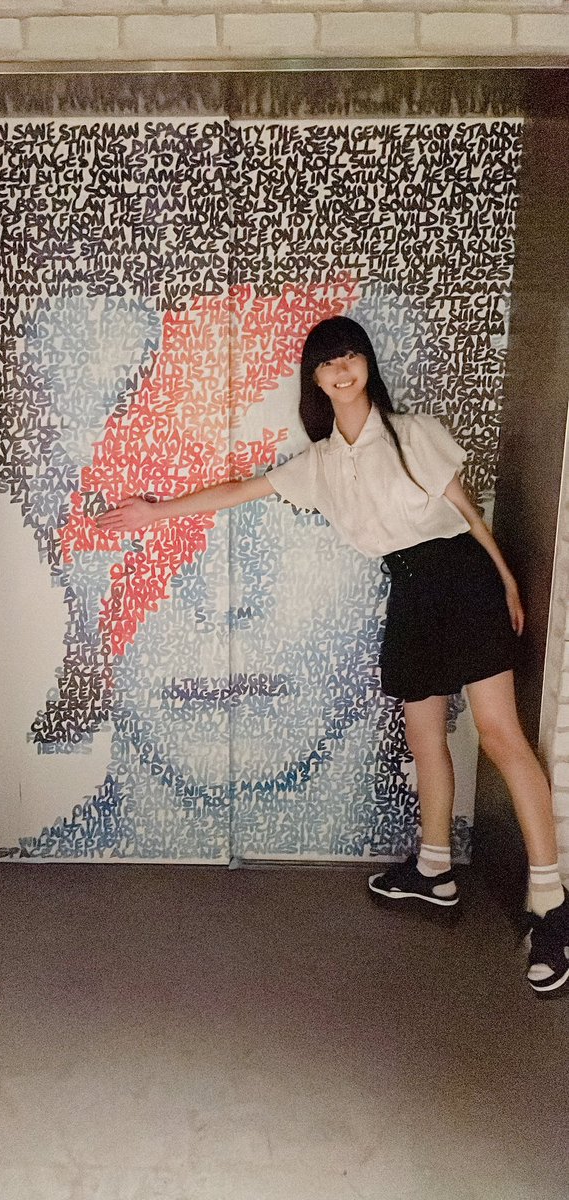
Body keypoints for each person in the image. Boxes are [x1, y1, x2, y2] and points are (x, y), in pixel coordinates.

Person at [96, 315, 569, 995]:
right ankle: (433, 871)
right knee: (423, 737)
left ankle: (551, 905)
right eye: (327, 362)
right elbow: (238, 491)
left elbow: (468, 513)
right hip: (408, 591)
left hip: (462, 580)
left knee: (499, 736)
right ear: (314, 379)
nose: (341, 369)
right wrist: (155, 511)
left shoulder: (414, 432)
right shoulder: (317, 464)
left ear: (366, 364)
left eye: (350, 355)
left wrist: (506, 581)